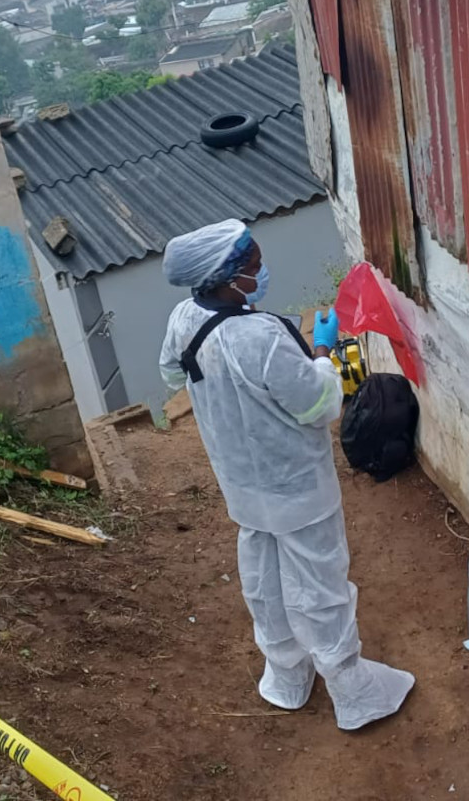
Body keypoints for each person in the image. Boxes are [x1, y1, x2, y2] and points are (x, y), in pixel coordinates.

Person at [158, 219, 414, 731]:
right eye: (254, 265)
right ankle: (354, 693)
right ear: (229, 277)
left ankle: (287, 678)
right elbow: (320, 406)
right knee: (321, 588)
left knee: (265, 584)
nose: (262, 271)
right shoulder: (262, 337)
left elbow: (172, 375)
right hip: (296, 487)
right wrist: (321, 353)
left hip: (242, 486)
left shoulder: (184, 318)